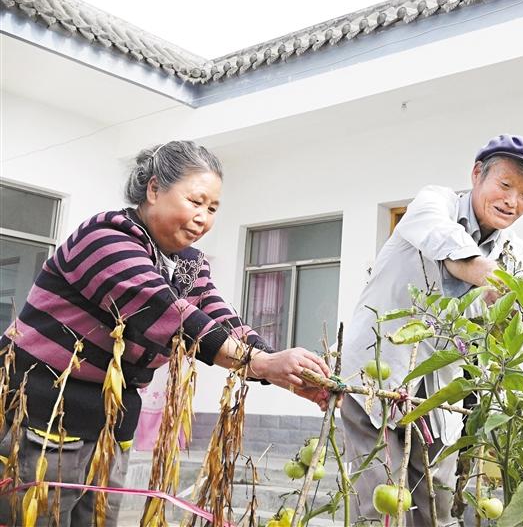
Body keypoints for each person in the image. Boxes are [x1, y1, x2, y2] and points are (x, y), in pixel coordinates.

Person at [0, 140, 332, 526]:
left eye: (212, 209)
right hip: (43, 417)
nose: (203, 218)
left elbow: (217, 316)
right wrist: (261, 363)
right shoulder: (105, 238)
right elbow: (166, 314)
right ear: (154, 189)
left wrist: (278, 367)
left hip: (110, 426)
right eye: (195, 201)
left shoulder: (187, 263)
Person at [339, 134, 523, 525]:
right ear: (476, 175)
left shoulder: (514, 251)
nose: (513, 202)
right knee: (380, 505)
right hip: (376, 373)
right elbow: (455, 254)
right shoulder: (433, 203)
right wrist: (502, 283)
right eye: (505, 186)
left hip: (438, 392)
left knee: (435, 504)